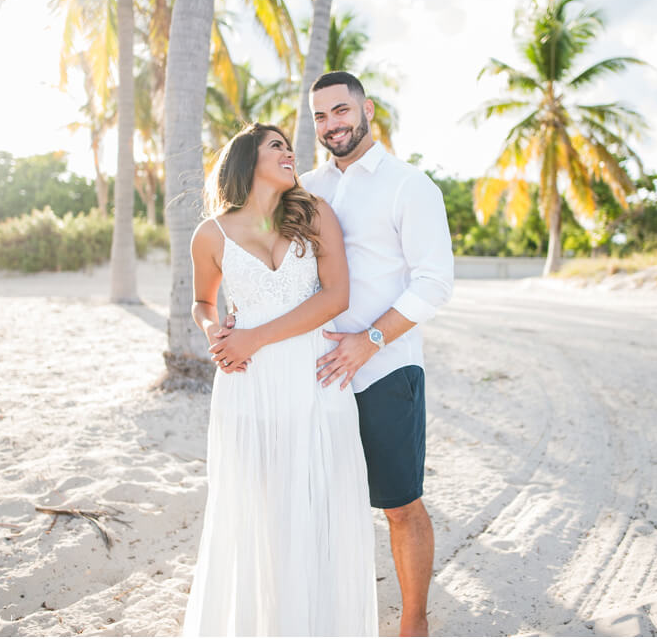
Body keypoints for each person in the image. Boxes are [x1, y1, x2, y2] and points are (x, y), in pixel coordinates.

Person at [181, 123, 377, 636]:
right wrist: (214, 333)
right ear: (246, 160)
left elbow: (336, 297)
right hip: (248, 383)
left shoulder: (314, 214)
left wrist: (255, 336)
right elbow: (202, 302)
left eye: (290, 148)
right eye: (277, 147)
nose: (290, 154)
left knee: (319, 504)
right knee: (259, 510)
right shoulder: (212, 234)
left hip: (316, 377)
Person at [300, 71, 455, 637]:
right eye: (320, 116)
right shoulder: (307, 186)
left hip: (386, 368)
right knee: (321, 504)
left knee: (400, 505)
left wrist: (369, 341)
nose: (331, 124)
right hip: (316, 374)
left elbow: (434, 283)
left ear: (366, 110)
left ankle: (413, 621)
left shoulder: (408, 184)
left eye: (340, 111)